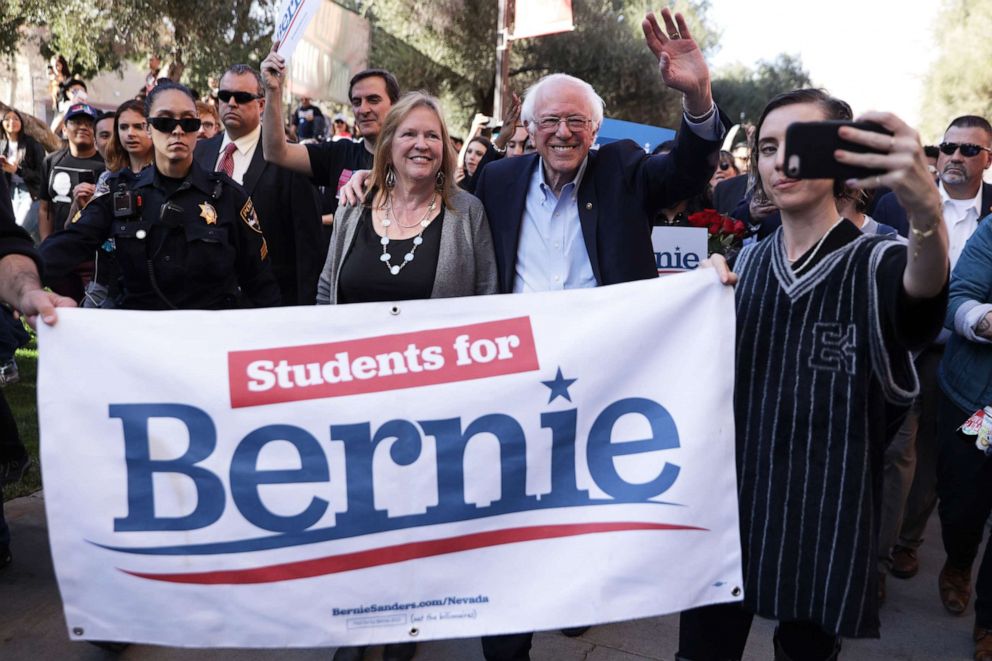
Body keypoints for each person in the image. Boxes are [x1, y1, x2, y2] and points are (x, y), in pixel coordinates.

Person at [471, 10, 725, 660]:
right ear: (526, 129)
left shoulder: (624, 170)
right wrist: (368, 185)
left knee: (583, 515)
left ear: (596, 129)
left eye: (576, 121)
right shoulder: (496, 180)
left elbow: (689, 172)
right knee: (513, 525)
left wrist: (697, 95)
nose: (563, 131)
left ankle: (579, 589)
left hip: (605, 387)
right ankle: (507, 640)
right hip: (513, 386)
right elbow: (432, 202)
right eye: (550, 120)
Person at [677, 88, 948, 661]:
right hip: (732, 509)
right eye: (768, 146)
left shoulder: (878, 261)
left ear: (842, 157)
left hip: (824, 517)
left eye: (801, 143)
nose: (781, 160)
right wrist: (695, 300)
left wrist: (927, 211)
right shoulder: (741, 262)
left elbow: (922, 294)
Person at [319, 92, 497, 661]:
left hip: (431, 399)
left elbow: (486, 298)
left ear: (445, 148)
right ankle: (357, 620)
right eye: (409, 135)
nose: (422, 145)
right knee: (357, 513)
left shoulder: (466, 212)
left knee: (414, 517)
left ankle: (403, 624)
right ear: (388, 145)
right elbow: (328, 289)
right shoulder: (352, 207)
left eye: (432, 136)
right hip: (355, 393)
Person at [874, 116, 992, 592]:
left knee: (937, 460)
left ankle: (909, 543)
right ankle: (877, 558)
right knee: (894, 451)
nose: (955, 157)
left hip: (963, 365)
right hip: (902, 350)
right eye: (947, 147)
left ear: (987, 159)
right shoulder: (893, 204)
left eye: (969, 150)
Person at [40, 80, 280, 311]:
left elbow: (261, 284)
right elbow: (68, 245)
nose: (177, 130)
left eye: (188, 122)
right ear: (149, 128)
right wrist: (22, 279)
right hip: (139, 338)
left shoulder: (229, 198)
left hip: (208, 339)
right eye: (165, 122)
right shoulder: (119, 193)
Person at [194, 64, 323, 306]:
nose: (231, 103)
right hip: (204, 306)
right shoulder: (198, 154)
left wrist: (304, 313)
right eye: (224, 96)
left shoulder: (289, 161)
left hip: (270, 306)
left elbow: (308, 249)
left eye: (242, 97)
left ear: (261, 104)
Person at [934, 214, 992, 661]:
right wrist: (986, 319)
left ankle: (989, 621)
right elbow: (957, 298)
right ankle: (957, 561)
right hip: (978, 402)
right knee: (961, 509)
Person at [261, 47, 400, 228]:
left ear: (396, 106)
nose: (363, 110)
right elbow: (276, 152)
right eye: (357, 102)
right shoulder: (338, 153)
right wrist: (273, 91)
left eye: (373, 100)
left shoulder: (416, 160)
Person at [38, 102, 105, 241]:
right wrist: (46, 242)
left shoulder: (107, 164)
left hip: (95, 245)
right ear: (64, 129)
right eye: (76, 122)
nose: (83, 127)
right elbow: (45, 208)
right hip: (59, 243)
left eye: (89, 123)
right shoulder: (51, 161)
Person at [0, 109, 46, 238]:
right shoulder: (1, 145)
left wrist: (17, 170)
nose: (11, 121)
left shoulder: (32, 144)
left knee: (20, 226)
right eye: (7, 119)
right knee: (10, 225)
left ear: (21, 123)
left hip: (29, 191)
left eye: (16, 118)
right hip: (8, 190)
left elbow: (41, 175)